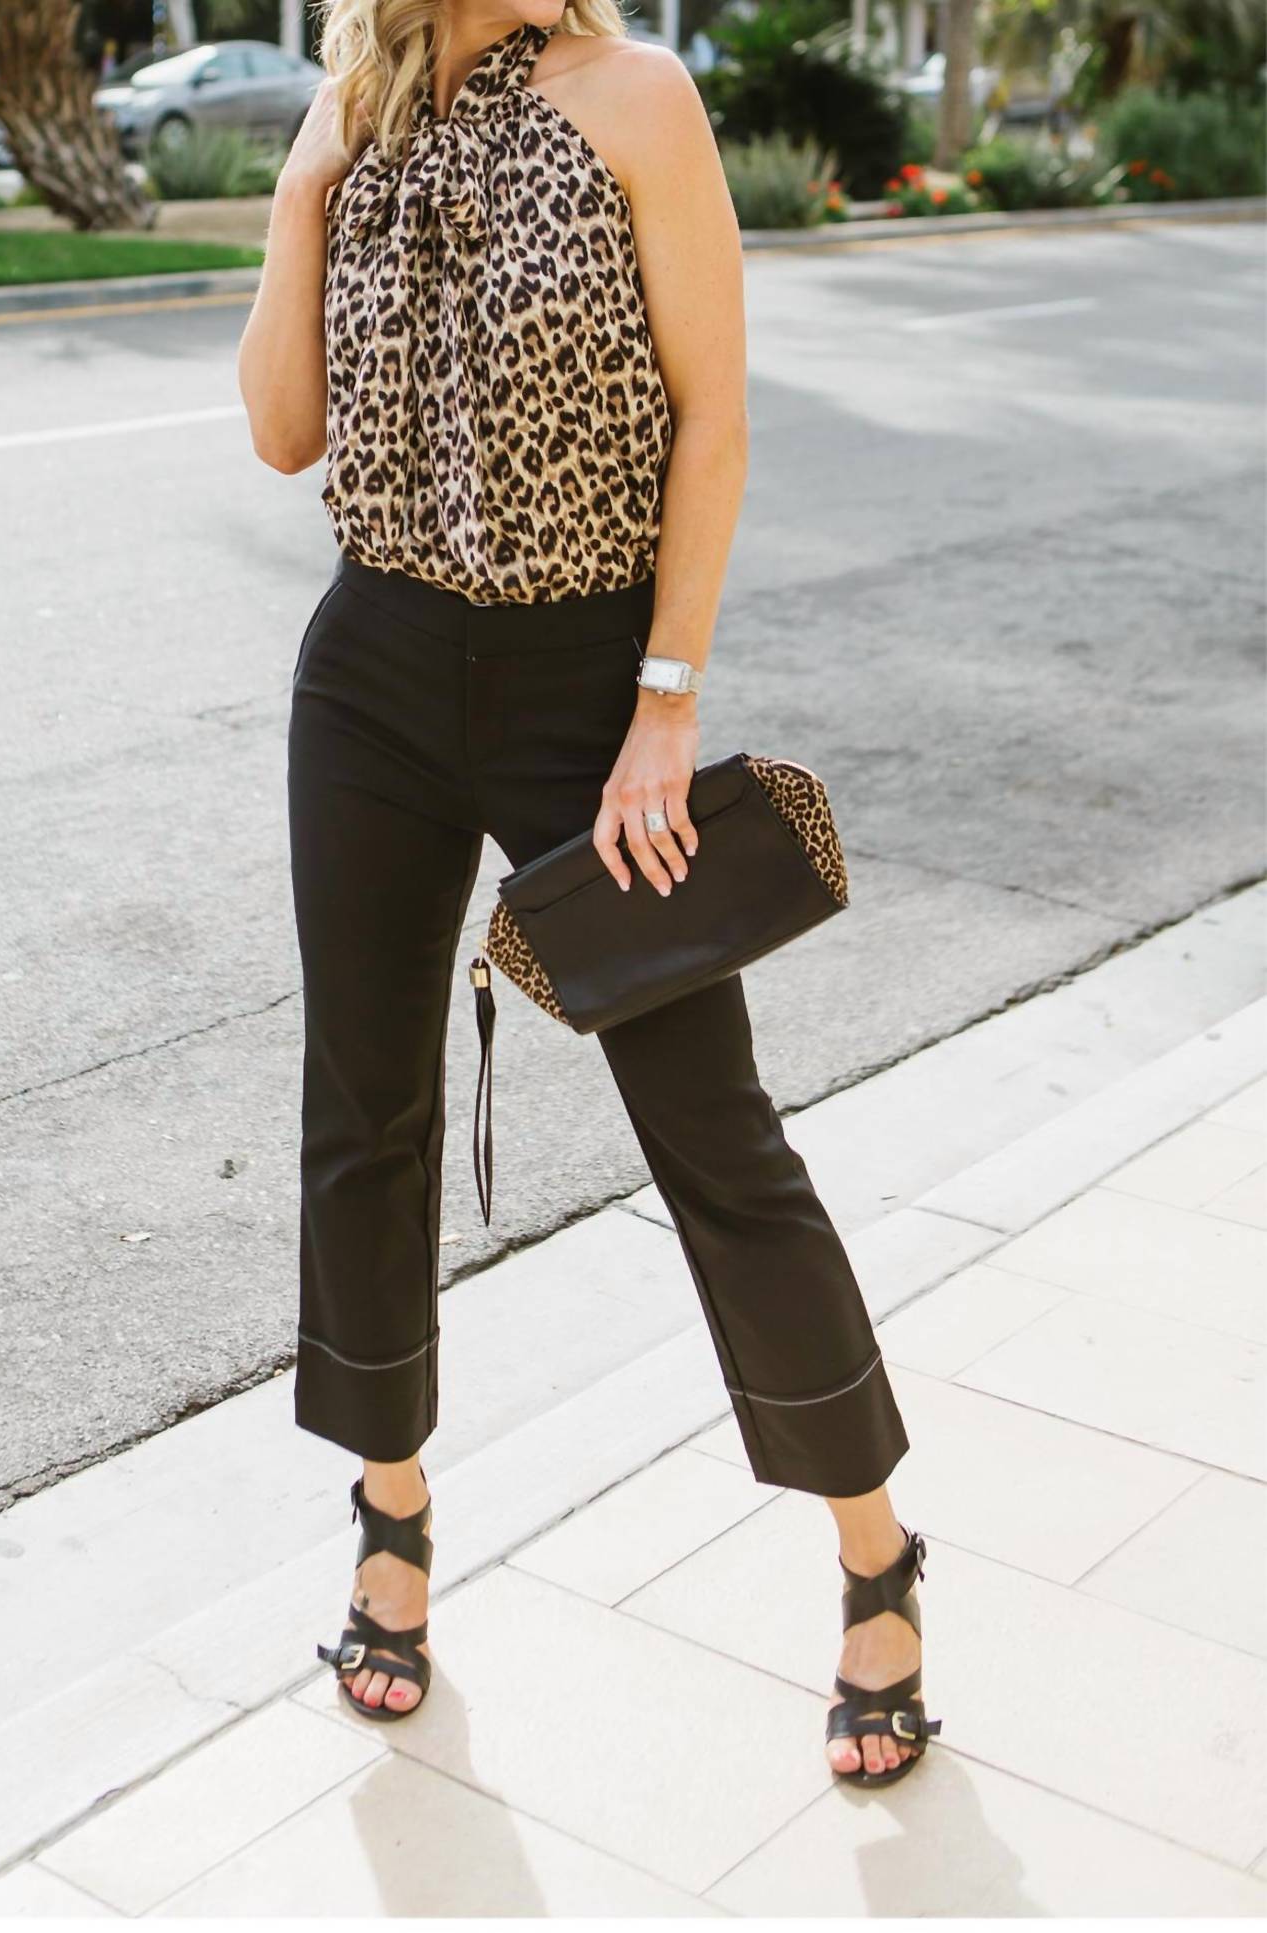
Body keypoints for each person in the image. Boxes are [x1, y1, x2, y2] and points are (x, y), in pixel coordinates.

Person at [237, 0, 941, 1785]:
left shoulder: (637, 98)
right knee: (364, 1111)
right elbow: (281, 433)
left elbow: (715, 424)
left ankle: (877, 1553)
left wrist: (664, 707)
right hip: (373, 674)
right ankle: (391, 1520)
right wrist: (305, 188)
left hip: (592, 687)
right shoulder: (354, 115)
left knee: (713, 1124)